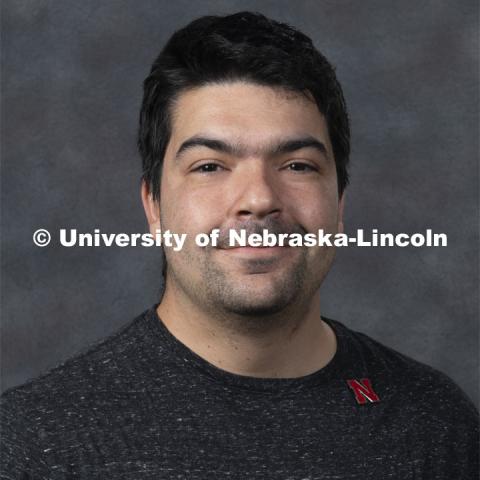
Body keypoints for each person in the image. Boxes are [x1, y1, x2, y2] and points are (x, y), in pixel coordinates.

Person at [1, 11, 478, 479]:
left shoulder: (436, 425)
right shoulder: (31, 444)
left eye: (297, 166)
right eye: (210, 166)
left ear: (339, 205)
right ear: (154, 206)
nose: (259, 199)